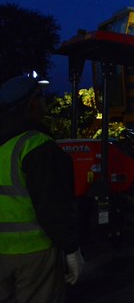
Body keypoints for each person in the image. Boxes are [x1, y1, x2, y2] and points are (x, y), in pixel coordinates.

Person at [0, 75, 84, 303]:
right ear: (32, 104)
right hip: (33, 254)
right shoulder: (35, 146)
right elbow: (54, 207)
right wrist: (71, 249)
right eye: (42, 97)